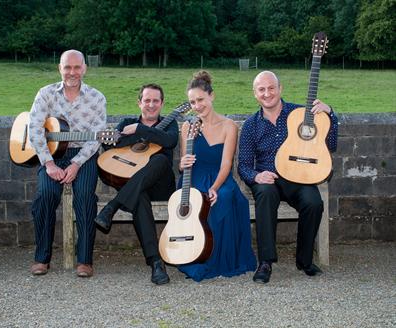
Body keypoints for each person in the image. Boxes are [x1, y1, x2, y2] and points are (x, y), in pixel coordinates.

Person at [238, 70, 338, 284]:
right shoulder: (250, 125)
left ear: (280, 89)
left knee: (313, 203)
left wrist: (330, 114)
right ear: (255, 94)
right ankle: (265, 262)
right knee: (265, 196)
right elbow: (244, 166)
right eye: (261, 89)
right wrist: (256, 176)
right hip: (268, 178)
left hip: (297, 175)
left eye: (271, 88)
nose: (267, 93)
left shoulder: (301, 114)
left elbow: (330, 145)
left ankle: (304, 261)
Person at [29, 49, 107, 278]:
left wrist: (75, 164)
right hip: (51, 155)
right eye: (67, 67)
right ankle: (41, 258)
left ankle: (84, 260)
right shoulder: (45, 94)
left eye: (76, 67)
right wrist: (50, 164)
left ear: (84, 68)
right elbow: (34, 130)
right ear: (60, 69)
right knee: (45, 195)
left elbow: (96, 137)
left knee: (84, 196)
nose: (72, 72)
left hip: (83, 155)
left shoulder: (97, 98)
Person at [94, 84, 177, 285]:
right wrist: (125, 136)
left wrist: (141, 130)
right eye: (147, 100)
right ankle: (156, 262)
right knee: (138, 197)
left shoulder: (169, 124)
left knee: (160, 160)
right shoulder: (127, 122)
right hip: (135, 188)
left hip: (161, 187)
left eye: (155, 100)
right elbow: (111, 146)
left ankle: (112, 207)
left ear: (162, 103)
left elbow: (170, 141)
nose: (151, 105)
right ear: (139, 102)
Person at [178, 71, 257, 282]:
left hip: (220, 176)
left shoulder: (229, 126)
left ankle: (218, 259)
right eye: (192, 102)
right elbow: (183, 162)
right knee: (197, 201)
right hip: (194, 177)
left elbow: (227, 164)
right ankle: (197, 256)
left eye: (201, 99)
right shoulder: (187, 126)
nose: (197, 105)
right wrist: (182, 163)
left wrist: (214, 187)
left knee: (224, 196)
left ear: (211, 96)